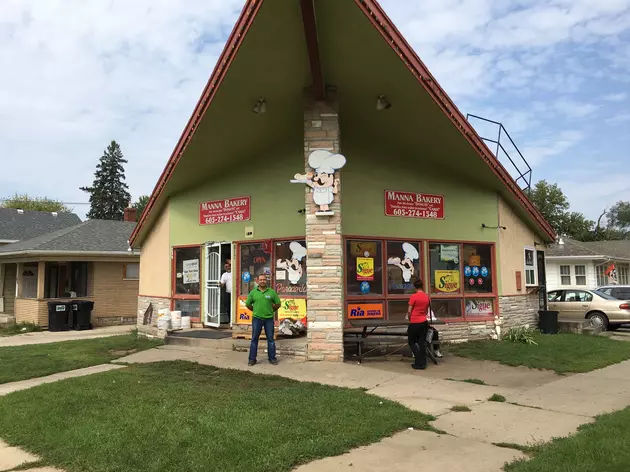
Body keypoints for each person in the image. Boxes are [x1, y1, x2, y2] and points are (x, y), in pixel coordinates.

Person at [246, 274, 281, 366]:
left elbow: (278, 303)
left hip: (269, 319)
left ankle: (272, 358)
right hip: (257, 318)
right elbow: (248, 304)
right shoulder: (253, 292)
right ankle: (252, 359)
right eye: (260, 280)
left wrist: (271, 310)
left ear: (266, 281)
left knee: (270, 339)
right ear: (257, 281)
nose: (262, 281)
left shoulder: (272, 292)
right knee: (254, 339)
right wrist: (255, 310)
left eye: (264, 280)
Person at [406, 279, 430, 370]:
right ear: (422, 286)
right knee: (421, 342)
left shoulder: (414, 296)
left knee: (411, 341)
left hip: (415, 322)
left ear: (414, 287)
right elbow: (426, 310)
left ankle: (418, 360)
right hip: (424, 322)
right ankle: (423, 363)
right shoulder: (426, 297)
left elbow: (409, 311)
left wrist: (409, 318)